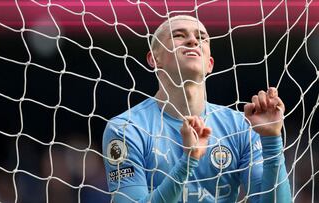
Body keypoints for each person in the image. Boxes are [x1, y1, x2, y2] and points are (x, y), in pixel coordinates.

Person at [102, 15, 291, 202]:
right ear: (154, 59)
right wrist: (188, 161)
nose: (193, 40)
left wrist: (272, 139)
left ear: (210, 64)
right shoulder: (126, 129)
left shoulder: (240, 127)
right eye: (178, 35)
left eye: (201, 38)